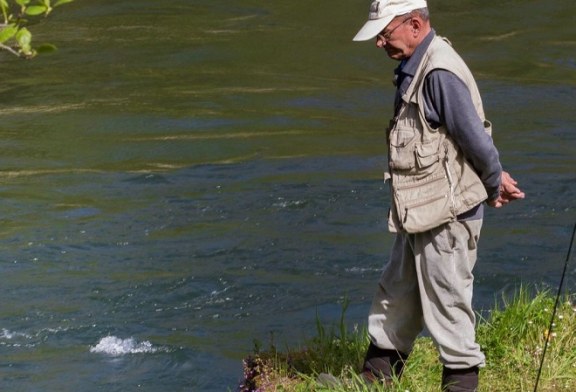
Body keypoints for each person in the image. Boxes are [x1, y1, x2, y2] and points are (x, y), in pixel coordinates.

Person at [352, 0, 525, 391]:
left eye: (384, 32)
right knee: (394, 298)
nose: (379, 42)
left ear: (415, 24)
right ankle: (372, 383)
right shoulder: (418, 64)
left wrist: (494, 181)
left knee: (449, 312)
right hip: (420, 211)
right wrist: (494, 176)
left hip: (447, 219)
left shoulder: (438, 72)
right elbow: (463, 139)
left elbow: (475, 138)